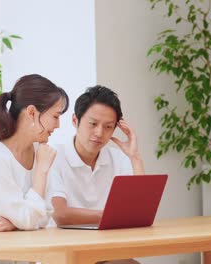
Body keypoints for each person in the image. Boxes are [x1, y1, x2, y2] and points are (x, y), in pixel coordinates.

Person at [0, 74, 69, 264]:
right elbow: (30, 218)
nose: (58, 125)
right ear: (32, 112)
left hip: (15, 258)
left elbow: (46, 216)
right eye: (55, 116)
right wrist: (41, 172)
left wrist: (14, 223)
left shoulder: (38, 152)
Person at [47, 85, 143, 264]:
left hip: (107, 252)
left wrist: (135, 157)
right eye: (93, 124)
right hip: (65, 256)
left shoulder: (119, 159)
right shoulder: (52, 156)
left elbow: (138, 214)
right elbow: (59, 213)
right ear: (75, 121)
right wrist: (110, 215)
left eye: (108, 127)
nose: (99, 133)